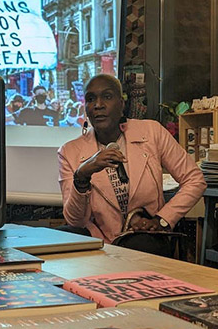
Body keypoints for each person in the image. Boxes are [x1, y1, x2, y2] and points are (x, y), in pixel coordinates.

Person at [57, 74, 206, 255]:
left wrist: (162, 219)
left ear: (122, 104)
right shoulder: (70, 151)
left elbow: (195, 180)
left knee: (140, 246)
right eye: (90, 99)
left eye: (107, 96)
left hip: (145, 237)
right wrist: (82, 176)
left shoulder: (151, 132)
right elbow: (76, 221)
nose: (98, 105)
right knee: (58, 239)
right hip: (99, 241)